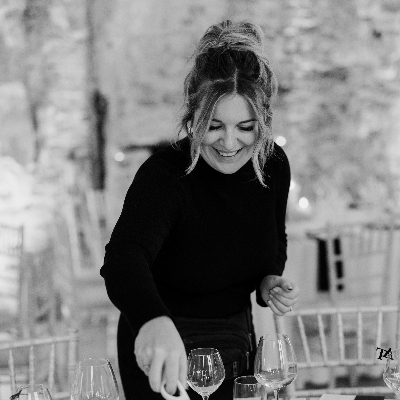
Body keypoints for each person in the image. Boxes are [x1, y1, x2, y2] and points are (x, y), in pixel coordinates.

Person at [100, 19, 300, 400]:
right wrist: (152, 320)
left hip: (235, 341)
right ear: (193, 116)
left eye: (245, 127)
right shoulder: (165, 175)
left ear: (263, 121)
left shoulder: (273, 166)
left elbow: (277, 240)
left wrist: (268, 281)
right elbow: (124, 259)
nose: (229, 143)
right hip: (164, 345)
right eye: (214, 126)